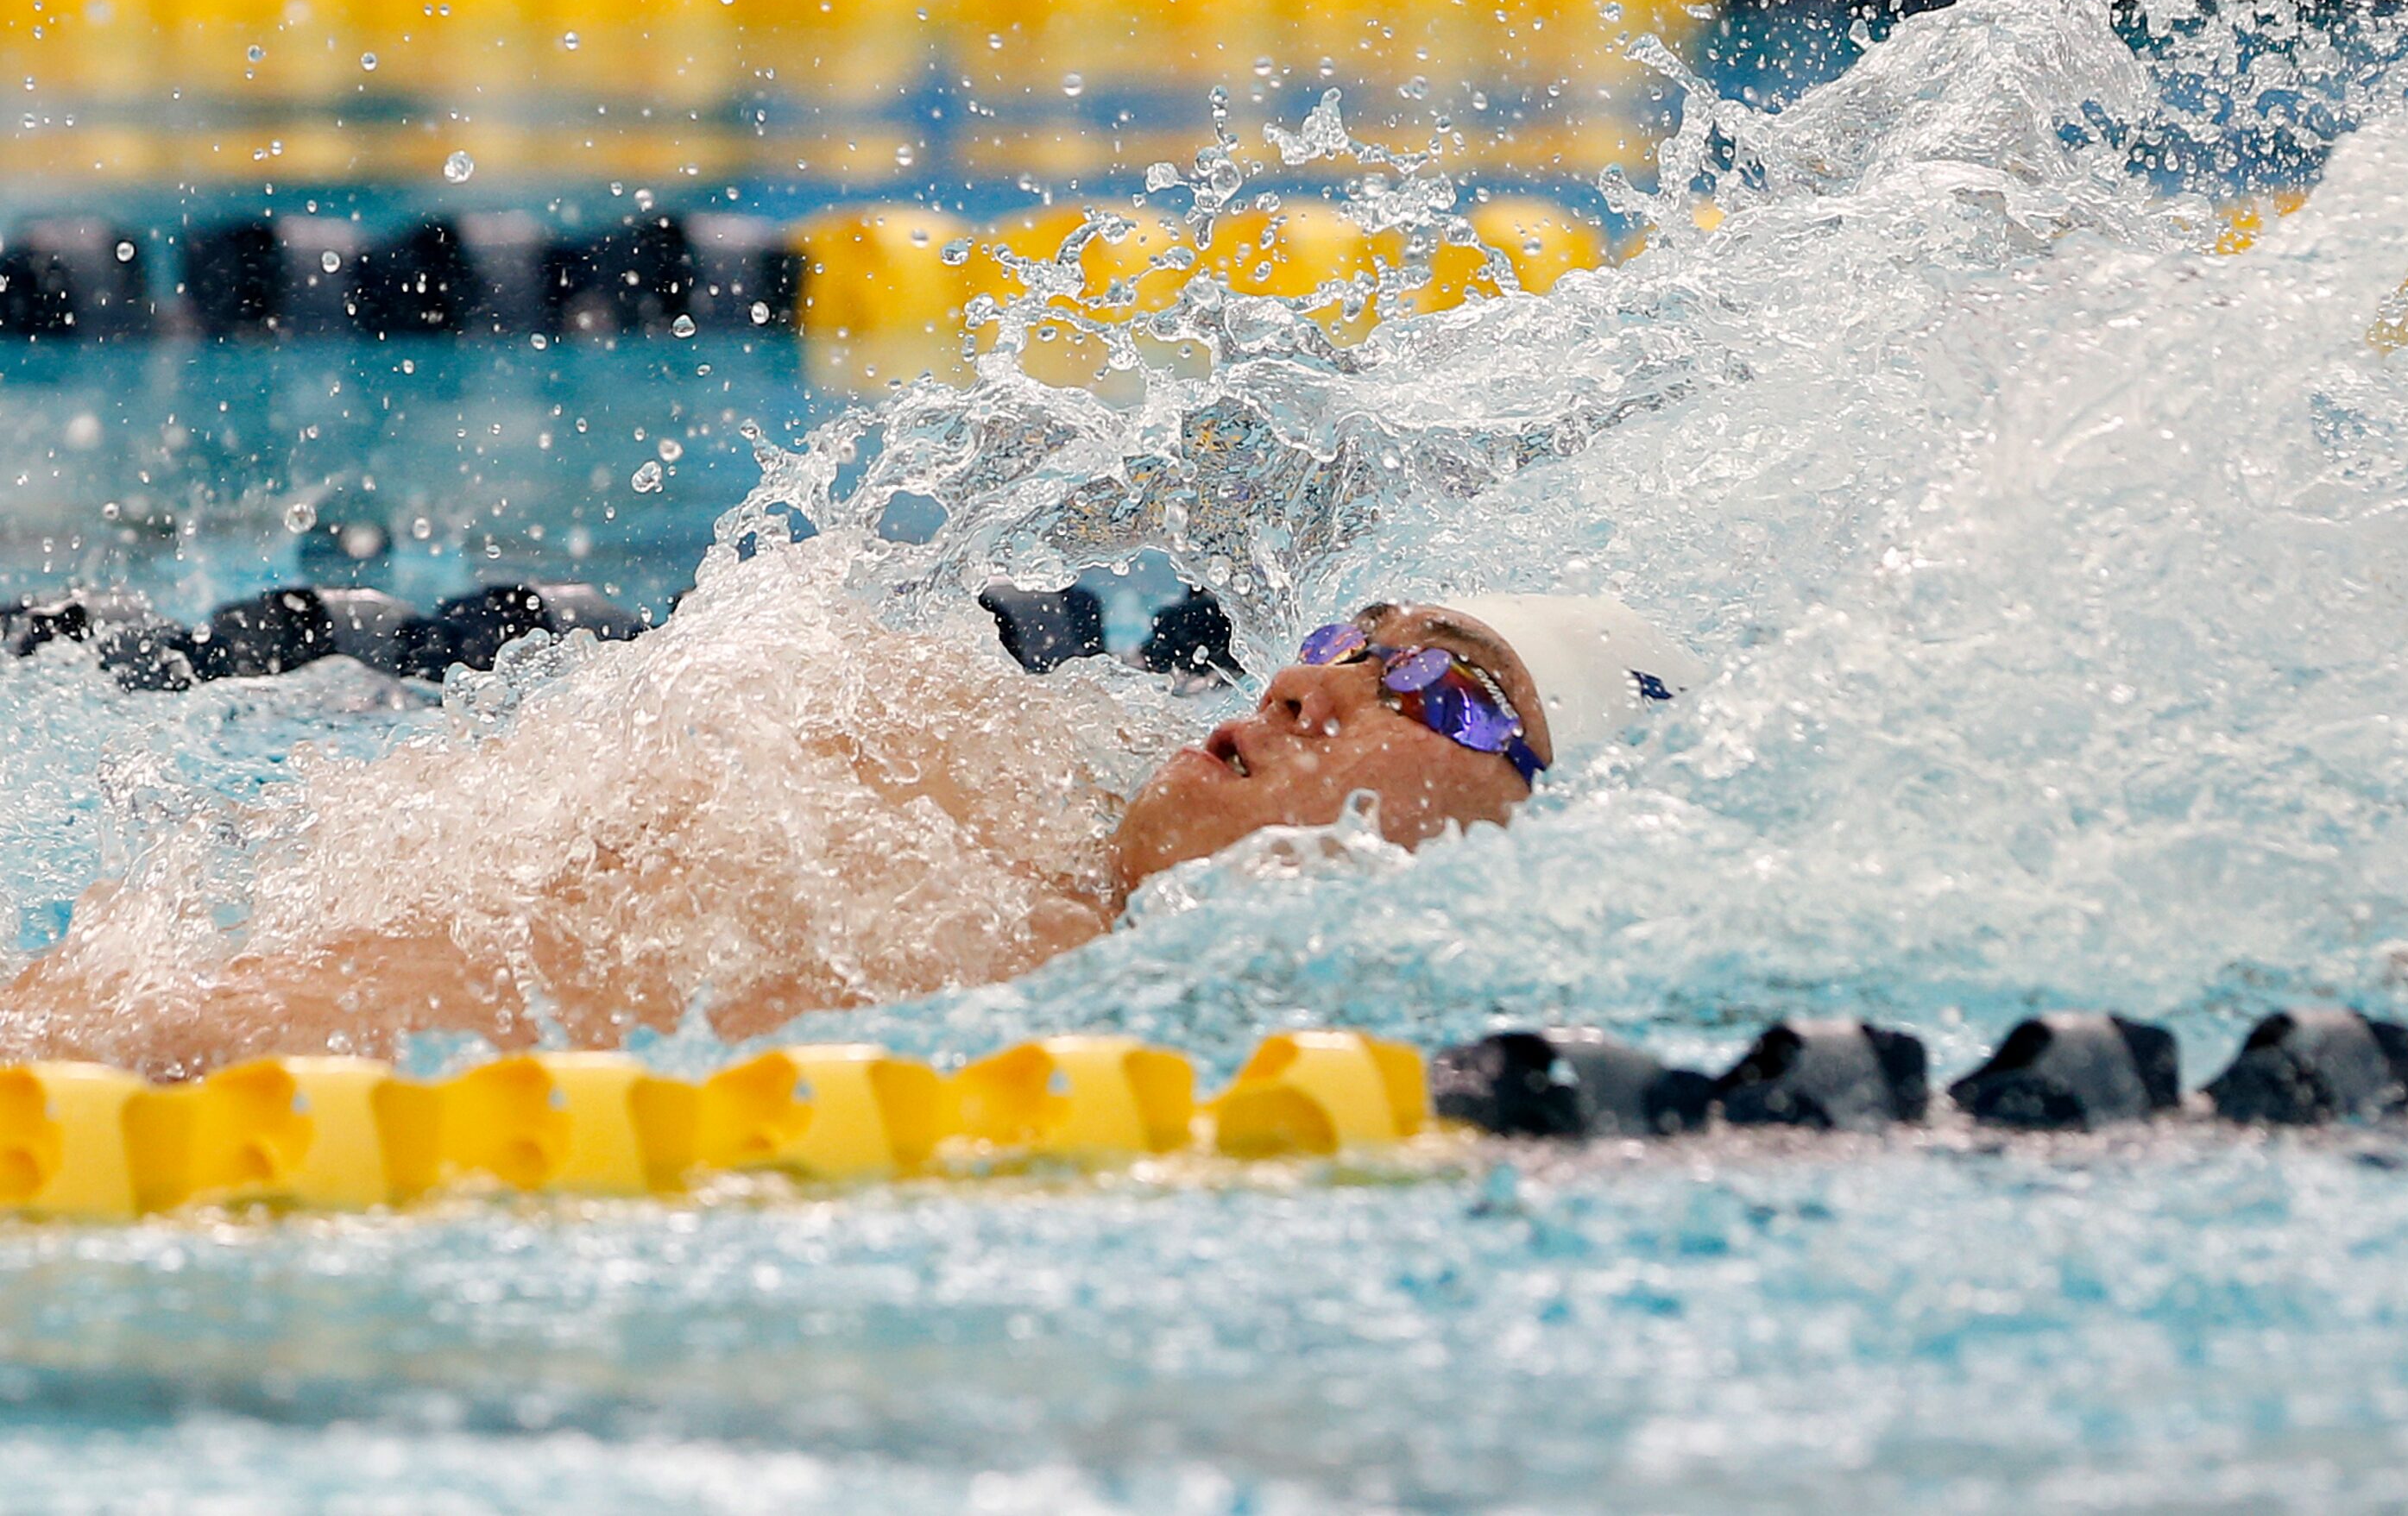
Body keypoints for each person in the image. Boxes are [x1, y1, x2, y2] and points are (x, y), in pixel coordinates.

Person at [0, 563, 1698, 1079]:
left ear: (1503, 836)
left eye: (1451, 698)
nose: (1329, 686)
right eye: (1360, 640)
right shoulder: (962, 745)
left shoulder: (1033, 991)